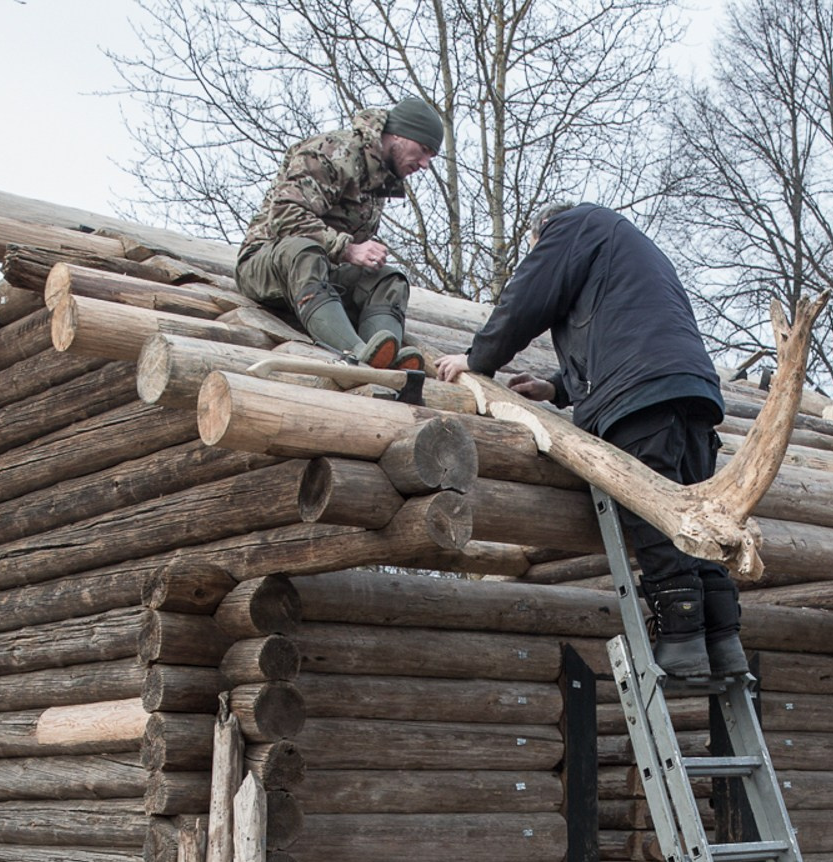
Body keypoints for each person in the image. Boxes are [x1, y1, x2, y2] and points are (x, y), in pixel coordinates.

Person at [433, 202, 741, 681]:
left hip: (639, 399)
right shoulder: (626, 245)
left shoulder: (572, 225)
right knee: (695, 518)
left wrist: (478, 358)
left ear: (542, 233)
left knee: (653, 514)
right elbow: (622, 329)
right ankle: (724, 643)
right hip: (690, 392)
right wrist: (557, 388)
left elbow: (527, 297)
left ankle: (681, 641)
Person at [238, 97, 447, 370]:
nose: (424, 163)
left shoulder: (379, 180)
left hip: (320, 280)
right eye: (423, 150)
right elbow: (284, 216)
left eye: (431, 156)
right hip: (268, 265)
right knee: (305, 251)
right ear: (399, 135)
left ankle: (384, 357)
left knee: (388, 280)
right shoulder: (332, 152)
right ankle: (356, 353)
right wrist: (348, 249)